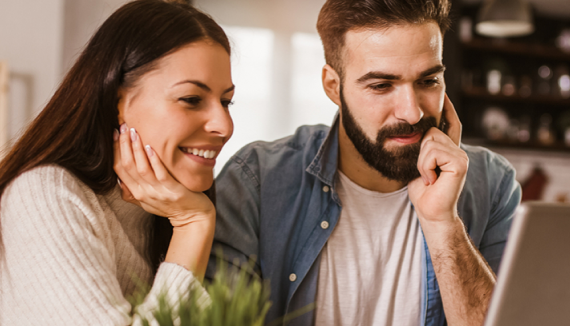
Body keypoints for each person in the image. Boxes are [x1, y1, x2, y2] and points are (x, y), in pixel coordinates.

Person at [207, 0, 521, 325]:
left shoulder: (493, 183)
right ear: (333, 86)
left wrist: (443, 223)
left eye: (428, 81)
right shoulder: (257, 180)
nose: (412, 112)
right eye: (382, 86)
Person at [0, 0, 234, 324]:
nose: (224, 126)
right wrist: (192, 226)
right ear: (116, 102)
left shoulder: (171, 208)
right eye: (192, 99)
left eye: (226, 101)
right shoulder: (44, 196)